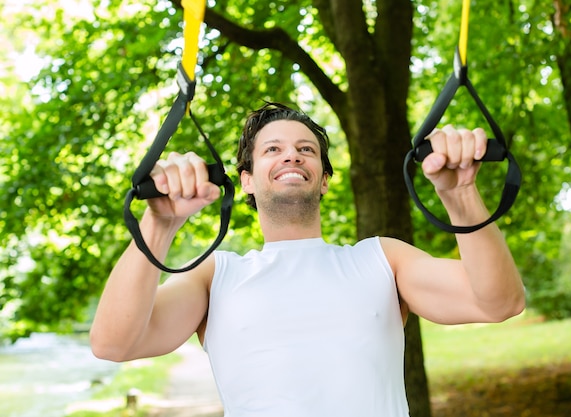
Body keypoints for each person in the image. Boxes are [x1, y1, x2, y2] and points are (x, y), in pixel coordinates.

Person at [90, 102, 525, 417]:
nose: (291, 155)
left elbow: (498, 302)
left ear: (325, 181)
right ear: (246, 180)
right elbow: (113, 343)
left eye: (306, 149)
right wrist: (159, 226)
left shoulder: (381, 259)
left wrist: (460, 195)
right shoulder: (216, 275)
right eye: (272, 150)